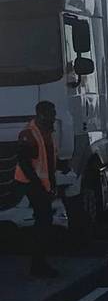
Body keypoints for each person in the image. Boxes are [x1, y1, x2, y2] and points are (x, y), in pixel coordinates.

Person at [14, 101, 65, 278]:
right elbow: (24, 162)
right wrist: (39, 186)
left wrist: (59, 174)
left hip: (42, 185)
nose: (54, 116)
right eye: (51, 113)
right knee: (43, 223)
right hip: (31, 184)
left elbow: (49, 159)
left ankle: (40, 263)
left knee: (44, 222)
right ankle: (38, 265)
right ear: (41, 114)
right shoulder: (29, 133)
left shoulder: (47, 132)